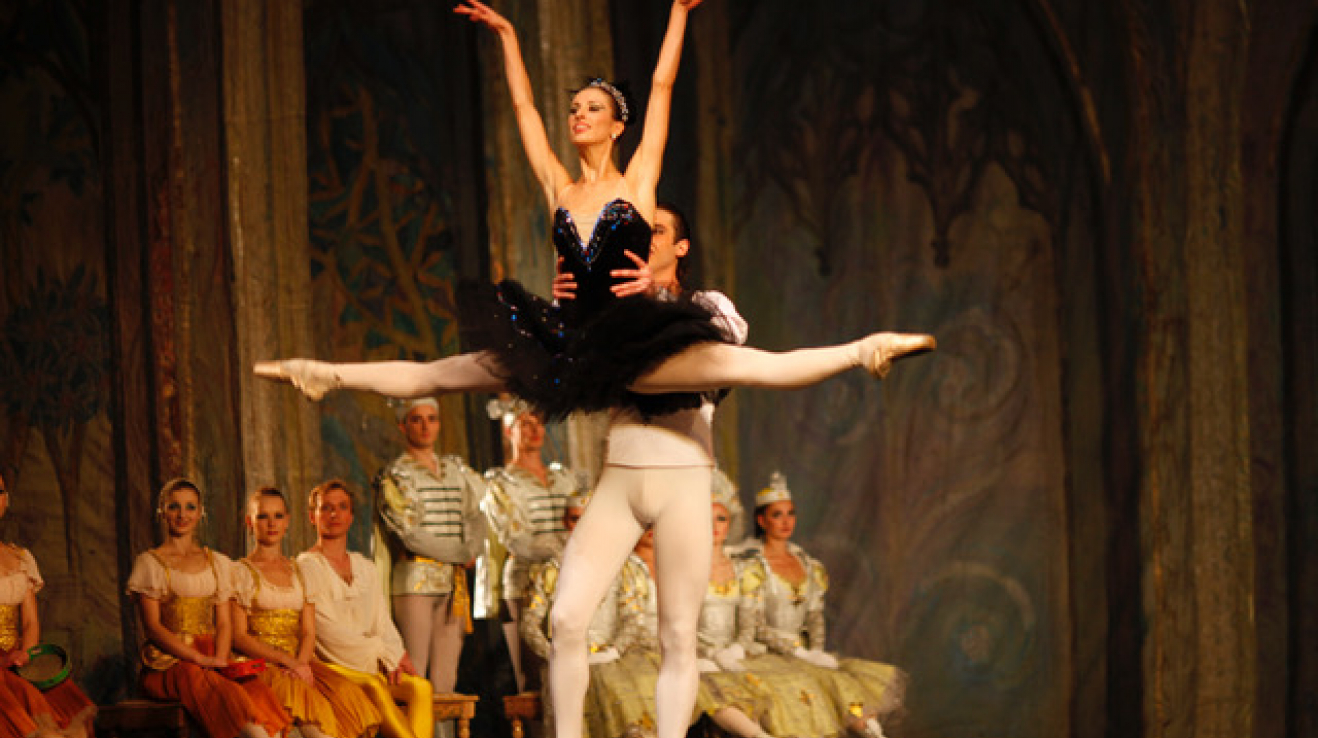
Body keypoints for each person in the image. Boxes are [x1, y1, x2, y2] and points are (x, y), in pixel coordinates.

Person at [256, 3, 933, 735]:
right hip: (577, 350)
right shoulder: (558, 186)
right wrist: (508, 38)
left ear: (617, 125)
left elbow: (663, 87)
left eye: (592, 109)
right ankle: (325, 373)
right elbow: (523, 111)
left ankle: (864, 349)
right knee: (450, 380)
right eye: (574, 108)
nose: (577, 117)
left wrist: (677, 15)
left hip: (636, 351)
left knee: (748, 374)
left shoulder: (638, 183)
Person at [740, 473, 905, 738]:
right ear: (762, 520)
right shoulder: (753, 566)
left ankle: (872, 732)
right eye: (777, 515)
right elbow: (756, 626)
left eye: (790, 514)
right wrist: (798, 653)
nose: (786, 521)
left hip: (805, 653)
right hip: (767, 654)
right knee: (801, 687)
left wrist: (815, 652)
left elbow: (815, 616)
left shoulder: (808, 564)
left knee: (845, 686)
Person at [127, 478, 291, 738]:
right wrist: (199, 659)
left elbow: (224, 623)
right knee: (235, 708)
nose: (182, 514)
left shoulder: (217, 562)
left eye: (190, 507)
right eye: (174, 506)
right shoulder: (150, 563)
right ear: (162, 512)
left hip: (213, 655)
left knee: (256, 693)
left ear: (200, 512)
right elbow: (153, 628)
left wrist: (220, 660)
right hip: (172, 663)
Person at [231, 487, 382, 738]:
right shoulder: (239, 572)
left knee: (342, 703)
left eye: (278, 516)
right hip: (261, 665)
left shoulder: (301, 571)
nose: (272, 523)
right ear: (250, 522)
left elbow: (309, 632)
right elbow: (238, 636)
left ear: (287, 521)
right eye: (263, 516)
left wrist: (300, 664)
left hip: (299, 662)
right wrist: (287, 661)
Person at [298, 479, 434, 738]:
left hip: (373, 660)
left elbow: (383, 622)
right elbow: (326, 632)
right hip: (333, 665)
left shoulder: (366, 567)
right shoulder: (307, 566)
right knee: (375, 685)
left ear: (351, 516)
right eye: (326, 508)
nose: (334, 514)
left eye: (342, 507)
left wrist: (396, 654)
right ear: (312, 517)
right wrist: (383, 653)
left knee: (421, 688)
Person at [375, 397, 486, 695]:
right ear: (403, 425)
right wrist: (461, 553)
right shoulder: (397, 474)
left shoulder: (456, 470)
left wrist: (473, 549)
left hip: (454, 583)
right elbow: (410, 535)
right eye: (417, 419)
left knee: (446, 679)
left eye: (432, 419)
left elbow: (475, 513)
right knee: (416, 671)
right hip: (416, 580)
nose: (425, 426)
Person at [481, 399, 576, 691]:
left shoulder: (564, 478)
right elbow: (517, 538)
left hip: (568, 578)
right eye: (525, 424)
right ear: (509, 430)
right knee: (533, 676)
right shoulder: (501, 484)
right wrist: (563, 548)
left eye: (539, 424)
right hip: (525, 580)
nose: (535, 431)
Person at [0, 472, 95, 738]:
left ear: (6, 500)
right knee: (23, 704)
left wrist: (25, 656)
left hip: (15, 659)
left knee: (69, 703)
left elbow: (30, 621)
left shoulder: (20, 557)